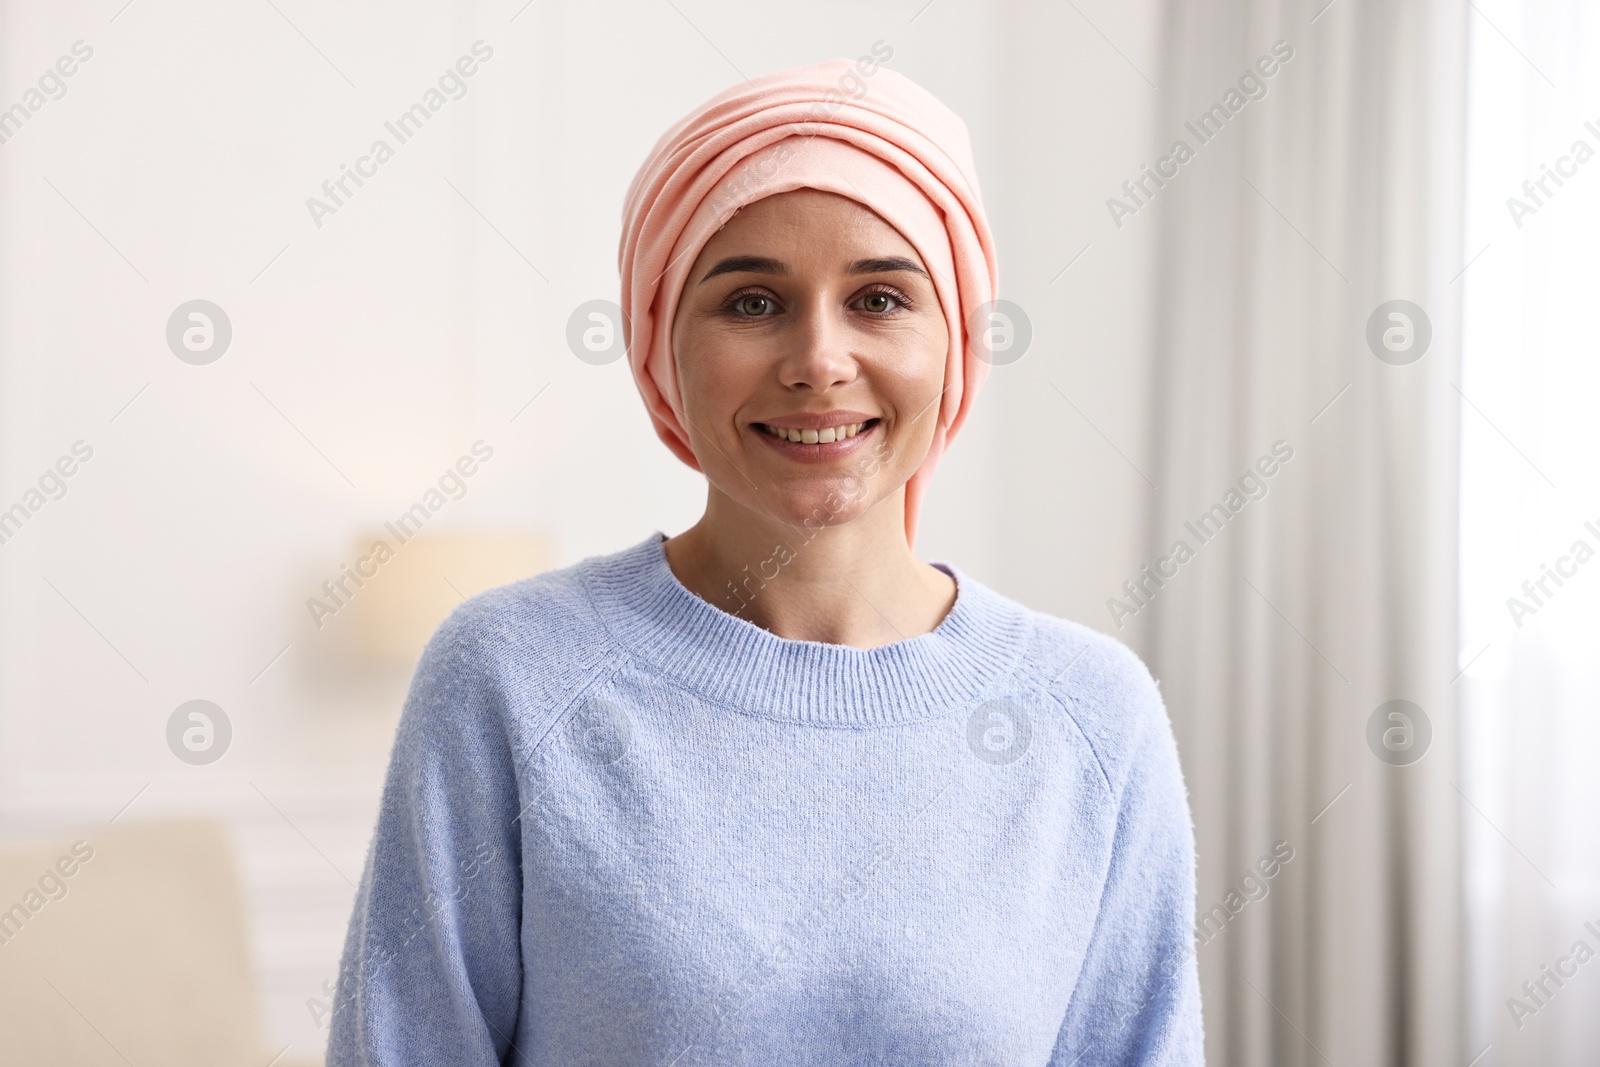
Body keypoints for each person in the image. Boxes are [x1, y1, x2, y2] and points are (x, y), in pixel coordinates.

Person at [327, 54, 1203, 1066]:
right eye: (751, 303)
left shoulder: (1092, 714)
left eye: (879, 299)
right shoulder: (509, 677)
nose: (818, 360)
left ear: (958, 340)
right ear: (659, 344)